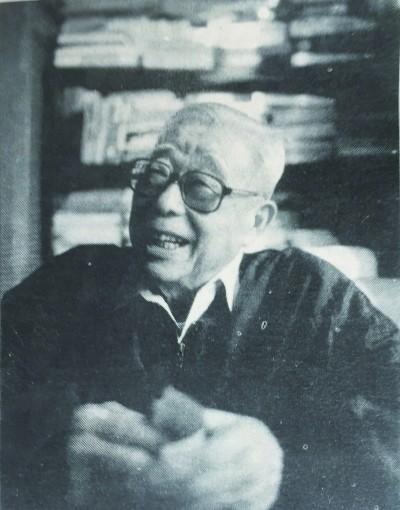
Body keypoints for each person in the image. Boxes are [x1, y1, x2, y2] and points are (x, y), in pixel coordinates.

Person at [1, 103, 399, 510]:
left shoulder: (311, 293)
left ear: (256, 222)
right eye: (156, 174)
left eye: (201, 188)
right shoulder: (72, 282)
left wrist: (282, 467)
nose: (165, 202)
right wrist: (59, 457)